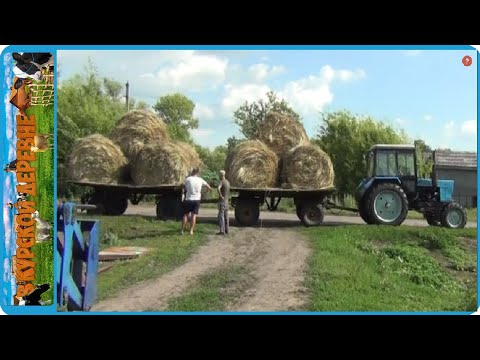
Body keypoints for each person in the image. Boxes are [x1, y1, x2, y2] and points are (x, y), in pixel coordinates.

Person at [181, 167, 211, 235]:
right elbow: (209, 187)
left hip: (188, 199)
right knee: (193, 216)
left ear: (192, 172)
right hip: (197, 199)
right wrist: (204, 193)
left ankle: (182, 230)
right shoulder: (200, 179)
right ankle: (191, 231)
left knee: (186, 215)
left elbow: (183, 186)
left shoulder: (188, 179)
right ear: (198, 173)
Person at [217, 170, 230, 235]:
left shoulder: (222, 181)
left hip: (222, 201)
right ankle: (227, 230)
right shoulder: (228, 182)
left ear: (221, 175)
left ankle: (222, 230)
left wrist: (220, 195)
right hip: (227, 200)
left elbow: (218, 188)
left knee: (221, 216)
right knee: (226, 216)